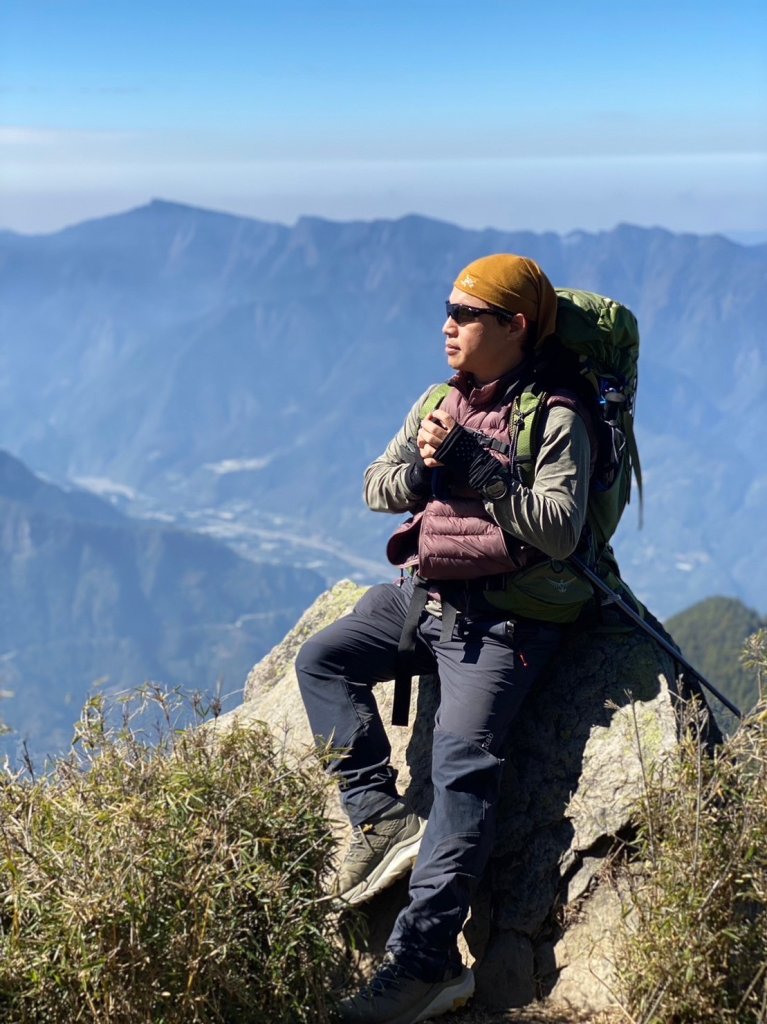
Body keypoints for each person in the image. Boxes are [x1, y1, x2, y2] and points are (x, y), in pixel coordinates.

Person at [295, 254, 594, 1024]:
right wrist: (427, 471)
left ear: (514, 326)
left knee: (462, 770)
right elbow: (374, 484)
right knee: (323, 659)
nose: (446, 326)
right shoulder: (440, 400)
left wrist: (482, 471)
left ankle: (427, 965)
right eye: (448, 311)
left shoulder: (557, 414)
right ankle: (383, 820)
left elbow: (560, 531)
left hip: (504, 619)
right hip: (424, 596)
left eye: (465, 315)